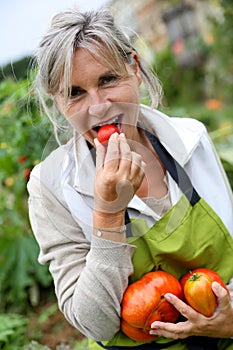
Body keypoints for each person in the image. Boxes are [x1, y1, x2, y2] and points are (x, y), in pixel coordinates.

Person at [27, 6, 233, 350]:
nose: (98, 106)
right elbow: (95, 324)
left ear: (134, 69)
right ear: (57, 102)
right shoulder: (50, 187)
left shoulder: (190, 139)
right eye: (75, 92)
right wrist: (108, 215)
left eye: (108, 80)